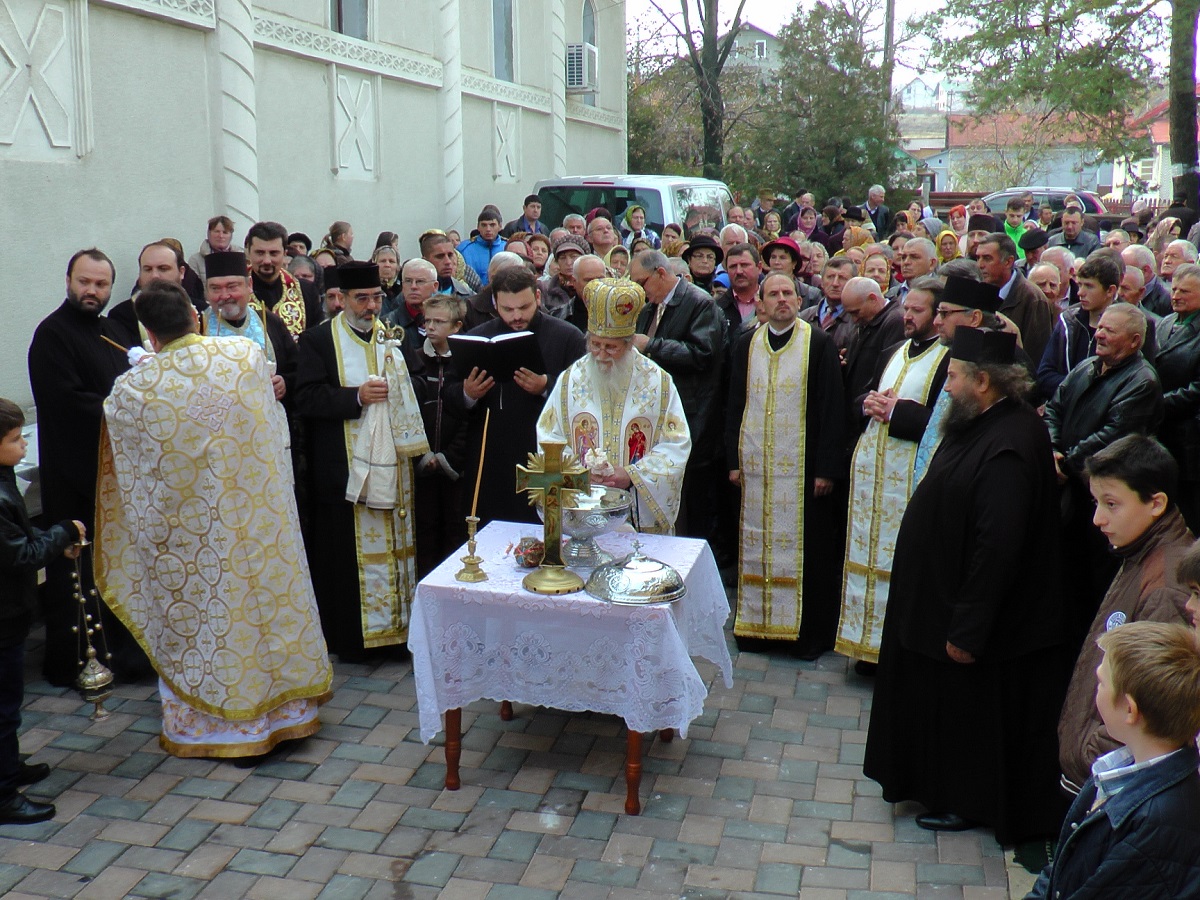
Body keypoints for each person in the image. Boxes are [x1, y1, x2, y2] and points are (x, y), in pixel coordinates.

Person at [96, 281, 332, 759]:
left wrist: (149, 370)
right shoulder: (243, 356)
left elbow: (129, 471)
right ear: (194, 314)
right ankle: (289, 714)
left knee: (213, 623)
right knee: (268, 610)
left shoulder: (131, 391)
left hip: (193, 537)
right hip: (260, 522)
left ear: (149, 333)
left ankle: (215, 729)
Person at [864, 327, 1070, 845]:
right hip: (940, 603)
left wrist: (968, 629)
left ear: (983, 381)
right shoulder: (985, 422)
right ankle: (937, 784)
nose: (946, 386)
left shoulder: (1011, 443)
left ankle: (967, 799)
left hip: (975, 621)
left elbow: (997, 547)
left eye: (953, 376)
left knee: (970, 713)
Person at [295, 262, 429, 661]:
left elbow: (418, 384)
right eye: (361, 299)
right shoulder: (318, 341)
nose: (371, 306)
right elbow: (306, 398)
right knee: (347, 559)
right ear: (342, 299)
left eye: (375, 298)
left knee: (398, 548)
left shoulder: (393, 337)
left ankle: (400, 633)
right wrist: (355, 397)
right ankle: (356, 641)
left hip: (396, 472)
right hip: (345, 471)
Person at [27, 249, 145, 686]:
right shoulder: (51, 335)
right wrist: (127, 409)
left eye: (100, 284)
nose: (92, 291)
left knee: (115, 568)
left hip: (117, 475)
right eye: (84, 282)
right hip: (75, 475)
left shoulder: (113, 331)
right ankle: (78, 662)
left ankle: (124, 657)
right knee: (80, 572)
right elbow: (67, 402)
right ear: (68, 281)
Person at [1055, 436, 1193, 792]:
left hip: (1112, 782)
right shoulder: (1140, 551)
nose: (1098, 519)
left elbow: (1156, 704)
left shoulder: (1164, 584)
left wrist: (1091, 755)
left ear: (1156, 503)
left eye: (1111, 504)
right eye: (1096, 502)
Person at [1027, 621, 1200, 900]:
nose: (1097, 689)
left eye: (1101, 683)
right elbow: (1063, 865)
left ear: (1130, 709)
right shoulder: (1117, 769)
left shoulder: (1157, 822)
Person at [726, 273, 845, 658]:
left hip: (803, 471)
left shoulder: (819, 343)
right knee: (755, 542)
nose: (781, 300)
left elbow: (832, 408)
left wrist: (827, 469)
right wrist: (732, 460)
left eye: (787, 293)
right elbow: (734, 406)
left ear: (798, 299)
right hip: (756, 468)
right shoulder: (747, 344)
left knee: (807, 551)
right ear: (760, 303)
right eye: (773, 294)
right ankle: (757, 630)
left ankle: (804, 636)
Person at [837, 276, 949, 673]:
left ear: (938, 316)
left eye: (917, 310)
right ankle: (863, 646)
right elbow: (867, 394)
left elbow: (944, 425)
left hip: (908, 480)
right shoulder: (894, 350)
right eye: (906, 308)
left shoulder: (947, 359)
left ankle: (892, 652)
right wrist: (867, 402)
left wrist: (895, 411)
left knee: (899, 562)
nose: (907, 315)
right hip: (873, 477)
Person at [1045, 304, 1164, 643]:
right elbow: (1054, 408)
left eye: (1110, 330)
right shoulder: (1086, 367)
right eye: (1100, 328)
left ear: (1134, 341)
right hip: (1070, 486)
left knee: (1093, 580)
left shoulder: (1142, 381)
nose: (1099, 333)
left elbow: (1114, 434)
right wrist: (1051, 448)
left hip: (1105, 494)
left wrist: (1066, 464)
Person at [537, 278, 691, 532]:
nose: (601, 354)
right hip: (583, 509)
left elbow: (677, 443)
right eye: (595, 344)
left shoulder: (658, 382)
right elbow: (548, 437)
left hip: (637, 513)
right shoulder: (571, 379)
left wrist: (631, 474)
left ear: (629, 344)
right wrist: (579, 474)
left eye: (611, 347)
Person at [443, 266, 586, 525]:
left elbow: (585, 397)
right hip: (491, 459)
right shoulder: (476, 337)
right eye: (508, 309)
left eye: (524, 307)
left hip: (545, 456)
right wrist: (468, 393)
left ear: (538, 299)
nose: (517, 316)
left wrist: (546, 386)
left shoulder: (568, 337)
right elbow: (450, 396)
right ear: (495, 303)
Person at [0, 399, 83, 824]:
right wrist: (63, 532)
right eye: (15, 440)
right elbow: (20, 553)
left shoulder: (4, 478)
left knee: (9, 701)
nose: (23, 445)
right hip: (3, 616)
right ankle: (3, 795)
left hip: (10, 613)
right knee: (3, 704)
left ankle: (9, 767)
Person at [629, 249, 725, 539]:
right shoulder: (650, 308)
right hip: (655, 414)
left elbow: (702, 354)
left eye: (642, 283)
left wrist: (651, 345)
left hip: (692, 413)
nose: (640, 292)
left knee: (693, 500)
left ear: (660, 273)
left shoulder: (699, 303)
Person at [410, 295, 468, 576]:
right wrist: (423, 456)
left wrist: (448, 458)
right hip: (422, 469)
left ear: (456, 326)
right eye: (427, 321)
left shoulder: (465, 363)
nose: (431, 327)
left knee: (455, 530)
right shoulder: (415, 359)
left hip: (455, 469)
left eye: (439, 322)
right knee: (425, 529)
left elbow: (470, 418)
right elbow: (408, 415)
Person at [1153, 262, 1200, 531]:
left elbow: (1197, 388)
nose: (1176, 295)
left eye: (1185, 291)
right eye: (1174, 289)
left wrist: (1160, 404)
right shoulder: (1165, 322)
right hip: (1161, 431)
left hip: (1189, 436)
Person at [1037, 254, 1121, 400]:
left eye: (1089, 286)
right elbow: (1044, 377)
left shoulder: (1130, 326)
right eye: (1080, 284)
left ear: (1110, 290)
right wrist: (1082, 389)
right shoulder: (1068, 321)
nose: (1080, 292)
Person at [975, 232, 1054, 366]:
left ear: (1008, 261)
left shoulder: (1032, 299)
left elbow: (1034, 359)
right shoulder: (979, 291)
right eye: (978, 258)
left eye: (987, 258)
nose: (980, 265)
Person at [246, 221, 324, 339]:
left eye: (274, 253)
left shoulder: (305, 291)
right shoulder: (234, 290)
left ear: (284, 253)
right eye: (260, 253)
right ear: (248, 252)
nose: (267, 260)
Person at [459, 206, 505, 285]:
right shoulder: (464, 249)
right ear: (478, 227)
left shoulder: (508, 247)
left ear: (500, 226)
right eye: (484, 225)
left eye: (492, 225)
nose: (488, 229)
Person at [188, 215, 234, 281]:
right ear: (209, 233)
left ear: (231, 235)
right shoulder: (195, 261)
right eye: (217, 231)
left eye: (225, 232)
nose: (221, 236)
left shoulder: (241, 257)